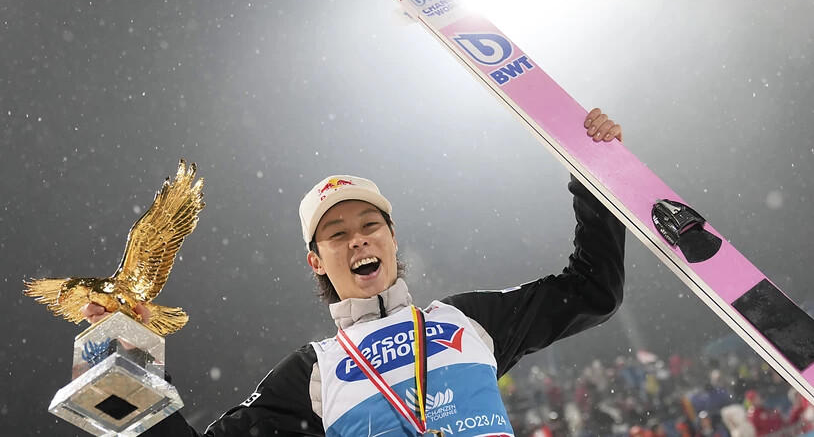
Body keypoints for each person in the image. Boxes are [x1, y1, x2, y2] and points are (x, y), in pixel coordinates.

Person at [81, 108, 626, 436]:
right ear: (316, 261)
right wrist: (120, 356)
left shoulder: (468, 322)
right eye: (337, 234)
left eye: (371, 224)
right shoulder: (314, 372)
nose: (359, 237)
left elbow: (592, 288)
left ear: (392, 240)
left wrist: (594, 173)